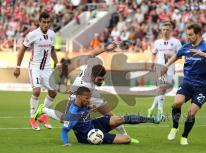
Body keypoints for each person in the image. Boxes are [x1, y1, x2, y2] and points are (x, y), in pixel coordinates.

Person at [33, 86, 163, 146]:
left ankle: (152, 119)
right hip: (89, 135)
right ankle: (43, 109)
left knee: (120, 118)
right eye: (86, 98)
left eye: (89, 98)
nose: (89, 100)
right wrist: (66, 143)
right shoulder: (73, 113)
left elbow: (79, 102)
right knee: (126, 139)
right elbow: (64, 131)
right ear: (79, 97)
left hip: (94, 124)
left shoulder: (80, 102)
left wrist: (89, 107)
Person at [161, 23, 206, 145]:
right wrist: (166, 65)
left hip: (203, 87)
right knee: (176, 103)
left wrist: (203, 54)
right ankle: (175, 126)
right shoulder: (186, 47)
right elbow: (177, 56)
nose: (188, 37)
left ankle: (184, 136)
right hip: (187, 82)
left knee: (191, 112)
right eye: (187, 35)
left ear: (198, 34)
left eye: (190, 35)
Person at [13, 12, 60, 131]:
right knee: (37, 90)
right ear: (39, 22)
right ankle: (32, 118)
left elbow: (52, 50)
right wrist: (17, 67)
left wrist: (57, 62)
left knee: (53, 92)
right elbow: (22, 50)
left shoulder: (52, 34)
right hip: (35, 67)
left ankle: (41, 115)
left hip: (47, 68)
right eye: (44, 22)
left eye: (48, 22)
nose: (46, 24)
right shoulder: (33, 34)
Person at [70, 42, 128, 135]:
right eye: (100, 79)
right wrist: (90, 107)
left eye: (103, 79)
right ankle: (44, 110)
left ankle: (125, 135)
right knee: (66, 118)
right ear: (93, 76)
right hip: (78, 93)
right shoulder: (85, 86)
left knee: (110, 115)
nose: (101, 81)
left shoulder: (91, 66)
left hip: (89, 92)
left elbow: (92, 53)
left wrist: (106, 48)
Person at [147, 21, 182, 118]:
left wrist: (172, 55)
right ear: (161, 31)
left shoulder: (176, 42)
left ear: (171, 30)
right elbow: (153, 53)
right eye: (163, 30)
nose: (165, 31)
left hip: (170, 68)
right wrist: (152, 63)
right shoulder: (157, 42)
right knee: (162, 88)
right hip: (160, 68)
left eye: (167, 29)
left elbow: (180, 56)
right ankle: (160, 112)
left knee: (162, 90)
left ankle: (151, 108)